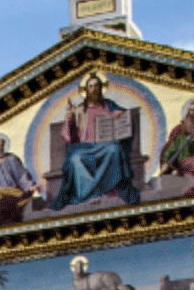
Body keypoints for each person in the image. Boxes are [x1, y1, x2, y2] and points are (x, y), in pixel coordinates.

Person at [45, 72, 145, 211]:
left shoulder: (109, 105)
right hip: (86, 147)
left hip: (104, 145)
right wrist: (69, 116)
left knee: (114, 149)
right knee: (75, 159)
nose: (94, 89)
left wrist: (119, 113)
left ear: (101, 88)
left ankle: (109, 190)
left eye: (97, 85)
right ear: (86, 90)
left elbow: (123, 118)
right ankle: (88, 194)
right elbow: (67, 136)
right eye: (90, 86)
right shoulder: (79, 109)